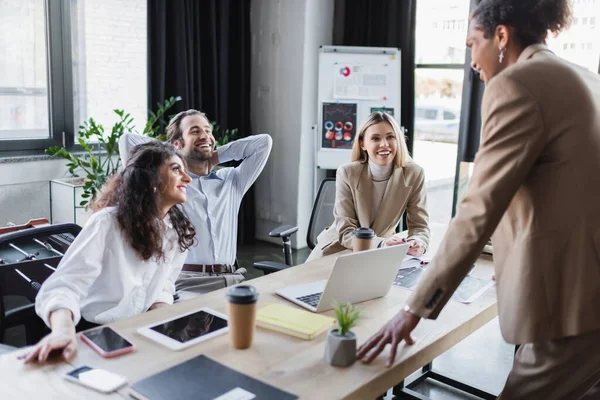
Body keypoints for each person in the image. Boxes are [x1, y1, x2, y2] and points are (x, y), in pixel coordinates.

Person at [357, 1, 600, 398]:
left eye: (473, 43)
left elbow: (478, 209)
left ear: (501, 37)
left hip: (574, 306)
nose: (471, 60)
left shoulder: (519, 83)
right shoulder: (586, 78)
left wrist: (412, 310)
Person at [22, 141, 195, 364]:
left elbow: (164, 285)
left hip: (139, 330)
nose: (187, 178)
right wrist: (63, 331)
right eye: (175, 169)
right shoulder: (107, 223)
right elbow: (64, 285)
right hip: (94, 331)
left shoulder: (177, 230)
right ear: (151, 179)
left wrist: (164, 319)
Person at [120, 110, 272, 298]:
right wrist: (175, 154)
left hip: (231, 279)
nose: (205, 136)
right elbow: (127, 141)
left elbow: (263, 143)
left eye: (208, 131)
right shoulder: (170, 186)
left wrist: (214, 155)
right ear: (177, 143)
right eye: (195, 131)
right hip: (187, 283)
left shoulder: (232, 180)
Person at [307, 112, 430, 261]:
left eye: (390, 137)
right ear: (363, 144)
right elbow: (346, 230)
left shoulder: (414, 174)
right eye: (375, 138)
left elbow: (420, 226)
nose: (384, 144)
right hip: (340, 249)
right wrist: (381, 243)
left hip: (381, 253)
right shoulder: (347, 172)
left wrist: (418, 242)